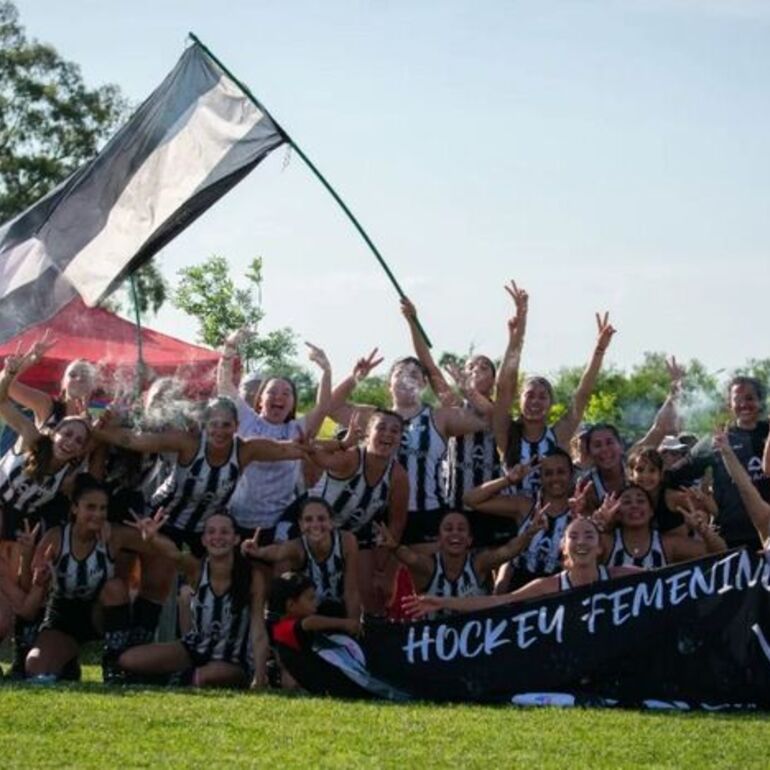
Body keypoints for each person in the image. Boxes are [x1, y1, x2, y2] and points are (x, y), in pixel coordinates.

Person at [7, 474, 161, 682]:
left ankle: (114, 663)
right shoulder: (55, 537)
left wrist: (152, 539)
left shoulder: (114, 535)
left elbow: (166, 553)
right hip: (64, 614)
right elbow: (31, 602)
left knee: (115, 586)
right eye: (90, 507)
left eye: (103, 508)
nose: (97, 514)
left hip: (99, 613)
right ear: (74, 508)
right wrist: (32, 568)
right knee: (36, 667)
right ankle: (66, 664)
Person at [330, 353, 489, 548]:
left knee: (420, 576)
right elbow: (331, 407)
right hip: (378, 512)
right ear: (389, 383)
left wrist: (467, 390)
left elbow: (487, 419)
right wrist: (357, 377)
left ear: (423, 384)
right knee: (379, 575)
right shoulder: (374, 418)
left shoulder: (439, 417)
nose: (407, 378)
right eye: (400, 373)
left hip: (427, 513)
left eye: (414, 374)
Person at [493, 281, 617, 497]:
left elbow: (582, 396)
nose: (535, 402)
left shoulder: (557, 435)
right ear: (519, 400)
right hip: (513, 520)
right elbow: (504, 388)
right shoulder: (507, 432)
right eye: (530, 395)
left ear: (550, 404)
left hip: (553, 520)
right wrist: (517, 335)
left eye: (543, 397)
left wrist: (599, 351)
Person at [117, 510, 256, 688]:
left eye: (224, 532)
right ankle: (176, 677)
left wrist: (260, 676)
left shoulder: (250, 574)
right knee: (128, 660)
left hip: (233, 660)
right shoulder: (197, 570)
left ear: (236, 539)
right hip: (194, 650)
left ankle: (169, 680)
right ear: (203, 540)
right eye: (211, 532)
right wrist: (153, 538)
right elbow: (174, 553)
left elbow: (259, 628)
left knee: (204, 676)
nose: (217, 537)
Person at [217, 332, 334, 541]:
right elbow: (225, 387)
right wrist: (229, 350)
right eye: (272, 392)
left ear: (292, 403)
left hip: (277, 523)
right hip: (237, 517)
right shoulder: (247, 420)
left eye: (286, 393)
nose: (279, 396)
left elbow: (323, 406)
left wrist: (326, 371)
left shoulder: (296, 430)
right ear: (260, 399)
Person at [403, 517, 639, 617]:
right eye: (573, 536)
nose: (581, 542)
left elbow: (669, 581)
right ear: (563, 548)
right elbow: (498, 602)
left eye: (589, 536)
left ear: (600, 547)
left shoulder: (621, 576)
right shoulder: (548, 585)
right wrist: (442, 601)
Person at [400, 296, 499, 511]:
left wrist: (467, 389)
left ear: (493, 380)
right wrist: (412, 321)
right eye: (470, 367)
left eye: (483, 368)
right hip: (455, 503)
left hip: (491, 505)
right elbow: (428, 364)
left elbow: (488, 414)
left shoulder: (498, 410)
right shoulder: (454, 406)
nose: (474, 371)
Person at [309, 408, 409, 613]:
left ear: (400, 438)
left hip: (356, 534)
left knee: (372, 595)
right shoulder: (351, 458)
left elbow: (396, 524)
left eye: (395, 431)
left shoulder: (398, 475)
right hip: (318, 529)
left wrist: (381, 568)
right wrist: (340, 444)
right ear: (367, 433)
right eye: (381, 428)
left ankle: (368, 635)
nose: (388, 434)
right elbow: (312, 451)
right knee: (310, 590)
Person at [376, 508, 547, 616]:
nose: (455, 534)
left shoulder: (478, 564)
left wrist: (529, 533)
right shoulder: (429, 566)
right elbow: (410, 557)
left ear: (470, 540)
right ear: (439, 539)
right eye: (448, 529)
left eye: (461, 529)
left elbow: (508, 551)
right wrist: (394, 547)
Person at [669, 376, 769, 549]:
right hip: (733, 538)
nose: (744, 404)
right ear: (729, 405)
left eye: (750, 398)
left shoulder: (768, 433)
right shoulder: (717, 440)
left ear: (760, 402)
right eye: (737, 400)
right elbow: (675, 476)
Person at [463, 450, 576, 591]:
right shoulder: (525, 506)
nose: (555, 478)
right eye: (548, 473)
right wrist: (508, 480)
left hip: (556, 591)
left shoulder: (578, 512)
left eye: (561, 472)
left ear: (571, 474)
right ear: (540, 477)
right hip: (517, 588)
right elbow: (470, 500)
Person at [241, 497, 361, 620]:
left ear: (331, 522)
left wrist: (353, 626)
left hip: (338, 610)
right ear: (301, 525)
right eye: (308, 520)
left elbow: (351, 591)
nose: (315, 525)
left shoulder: (347, 541)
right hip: (308, 616)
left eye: (321, 519)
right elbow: (278, 551)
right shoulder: (298, 546)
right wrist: (258, 551)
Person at [592, 484, 727, 568]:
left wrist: (703, 530)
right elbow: (575, 554)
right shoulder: (605, 543)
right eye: (626, 502)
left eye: (640, 501)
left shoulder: (668, 544)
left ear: (651, 512)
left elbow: (722, 553)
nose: (634, 506)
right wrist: (596, 524)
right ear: (617, 513)